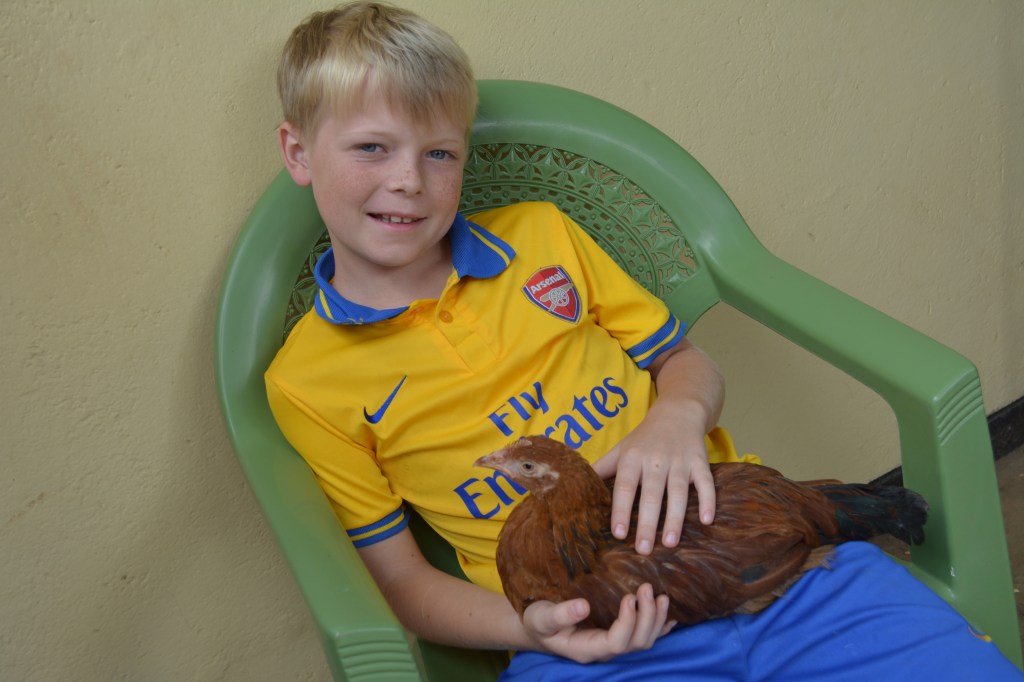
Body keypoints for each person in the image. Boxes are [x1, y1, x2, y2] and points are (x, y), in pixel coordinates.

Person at [265, 3, 1022, 679]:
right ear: (298, 153)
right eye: (371, 148)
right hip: (592, 639)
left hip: (774, 571)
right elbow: (400, 582)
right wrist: (532, 630)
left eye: (440, 153)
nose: (408, 180)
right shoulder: (308, 381)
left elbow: (682, 360)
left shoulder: (543, 238)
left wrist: (676, 417)